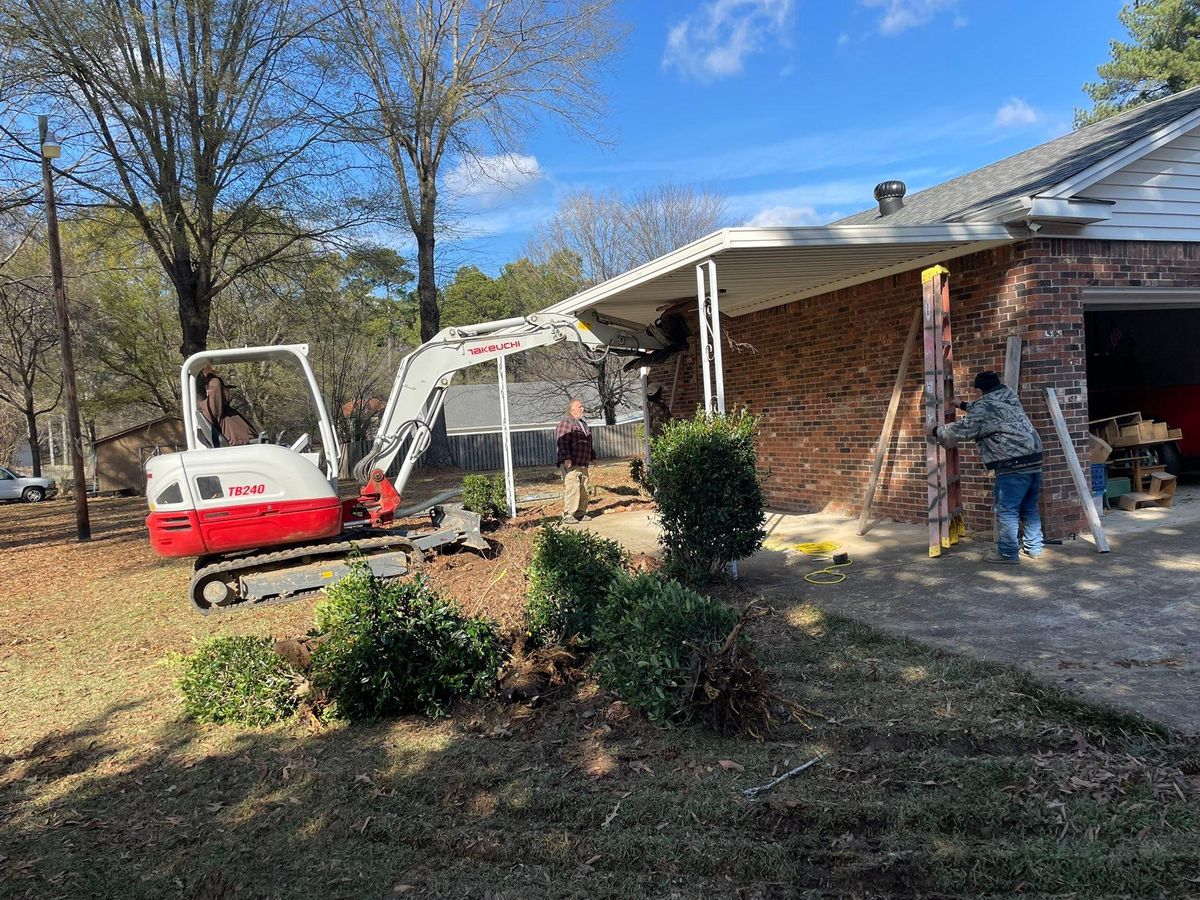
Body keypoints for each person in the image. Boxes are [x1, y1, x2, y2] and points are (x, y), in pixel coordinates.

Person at [928, 370, 1044, 564]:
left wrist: (933, 430)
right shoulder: (1008, 396)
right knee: (1029, 507)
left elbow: (961, 431)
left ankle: (1007, 553)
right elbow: (989, 408)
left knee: (1006, 508)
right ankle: (1034, 548)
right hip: (1034, 458)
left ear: (980, 389)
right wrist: (963, 405)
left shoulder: (984, 408)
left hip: (1012, 463)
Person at [556, 398, 596, 524]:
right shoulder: (566, 423)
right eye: (580, 407)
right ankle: (568, 514)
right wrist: (566, 458)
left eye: (582, 406)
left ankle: (580, 513)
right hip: (571, 463)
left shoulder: (583, 424)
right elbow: (562, 442)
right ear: (572, 409)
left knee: (583, 488)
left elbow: (588, 443)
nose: (582, 409)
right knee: (572, 488)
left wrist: (593, 456)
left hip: (583, 463)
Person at [197, 366, 257, 447]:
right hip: (238, 451)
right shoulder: (212, 409)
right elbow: (216, 387)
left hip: (250, 448)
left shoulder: (226, 410)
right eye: (225, 389)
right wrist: (209, 373)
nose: (228, 392)